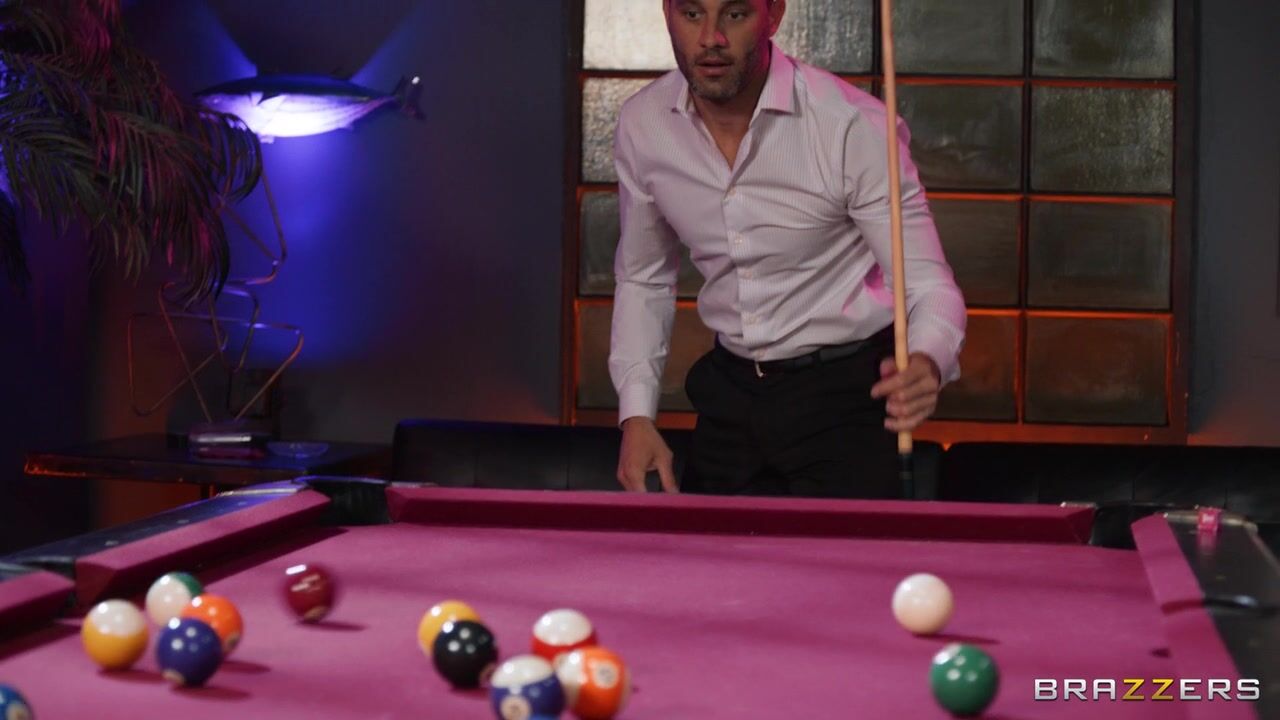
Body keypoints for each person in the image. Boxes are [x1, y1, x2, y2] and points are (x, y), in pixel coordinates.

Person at [610, 0, 966, 497]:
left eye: (735, 14)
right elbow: (643, 278)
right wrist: (636, 415)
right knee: (703, 549)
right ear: (667, 12)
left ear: (774, 15)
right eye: (692, 14)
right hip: (729, 396)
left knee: (848, 552)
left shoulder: (850, 125)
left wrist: (927, 360)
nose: (711, 38)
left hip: (844, 398)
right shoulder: (643, 124)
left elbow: (929, 287)